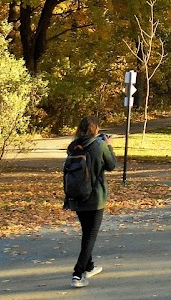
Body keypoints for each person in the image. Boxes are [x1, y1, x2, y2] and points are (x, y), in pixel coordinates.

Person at [64, 116, 117, 288]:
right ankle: (78, 274)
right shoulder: (99, 145)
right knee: (90, 235)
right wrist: (108, 145)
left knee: (86, 232)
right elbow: (111, 165)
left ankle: (90, 266)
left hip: (77, 194)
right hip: (95, 196)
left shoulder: (72, 147)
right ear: (95, 129)